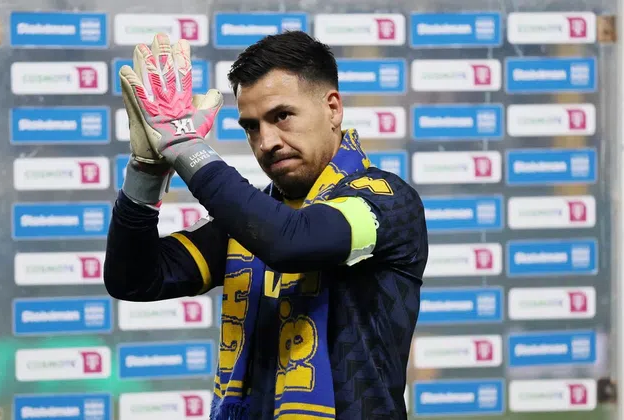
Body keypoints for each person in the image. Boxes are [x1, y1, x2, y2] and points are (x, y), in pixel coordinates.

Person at [104, 30, 428, 420]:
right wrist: (146, 172)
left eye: (281, 116)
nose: (266, 141)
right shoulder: (252, 221)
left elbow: (292, 242)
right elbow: (134, 279)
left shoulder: (387, 200)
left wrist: (184, 147)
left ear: (332, 108)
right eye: (251, 126)